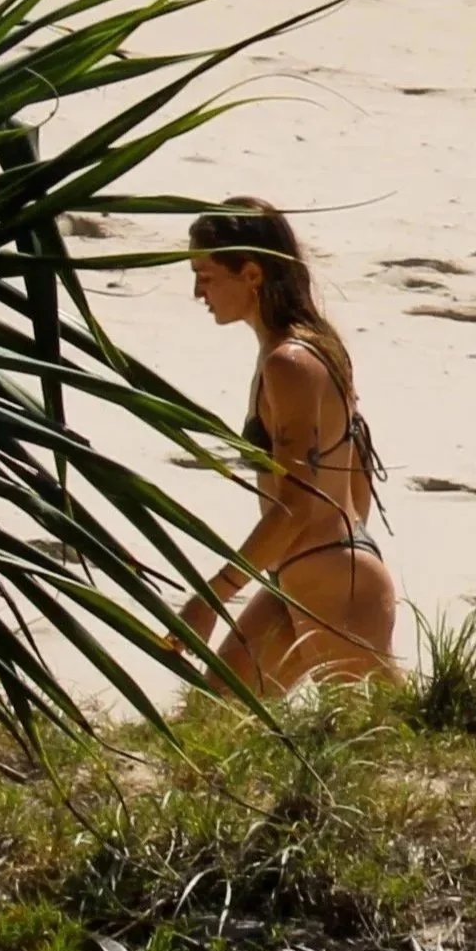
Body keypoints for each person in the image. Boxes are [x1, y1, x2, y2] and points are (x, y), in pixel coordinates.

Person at [174, 199, 398, 693]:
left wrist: (212, 599)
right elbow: (354, 479)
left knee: (387, 753)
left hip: (333, 586)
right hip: (310, 576)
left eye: (206, 276)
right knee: (213, 718)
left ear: (251, 274)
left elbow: (296, 507)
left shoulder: (288, 364)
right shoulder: (314, 346)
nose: (196, 292)